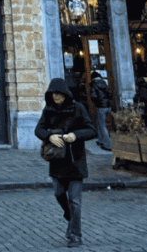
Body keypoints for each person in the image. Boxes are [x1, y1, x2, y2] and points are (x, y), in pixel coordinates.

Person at [35, 78, 97, 249]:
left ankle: (75, 235)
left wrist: (75, 135)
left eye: (59, 94)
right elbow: (38, 129)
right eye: (53, 94)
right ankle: (70, 216)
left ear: (65, 94)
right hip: (57, 160)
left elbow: (92, 130)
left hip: (75, 160)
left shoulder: (78, 108)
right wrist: (49, 136)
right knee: (58, 193)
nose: (56, 97)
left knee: (75, 200)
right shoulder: (48, 110)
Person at [89, 74, 112, 151]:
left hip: (101, 107)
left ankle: (108, 145)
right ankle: (101, 141)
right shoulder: (104, 83)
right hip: (108, 106)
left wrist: (97, 103)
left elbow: (93, 96)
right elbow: (110, 94)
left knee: (102, 126)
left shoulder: (94, 84)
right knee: (99, 123)